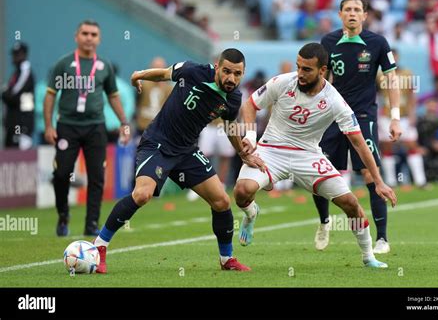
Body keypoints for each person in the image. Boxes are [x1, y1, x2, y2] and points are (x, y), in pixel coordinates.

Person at [92, 49, 265, 273]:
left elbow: (230, 126)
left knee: (222, 201)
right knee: (142, 194)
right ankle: (100, 246)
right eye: (227, 72)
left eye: (237, 74)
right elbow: (164, 74)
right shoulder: (193, 71)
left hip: (186, 151)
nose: (231, 78)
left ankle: (227, 259)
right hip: (158, 144)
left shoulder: (233, 97)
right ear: (217, 66)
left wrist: (243, 153)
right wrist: (139, 75)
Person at [234, 43, 396, 268]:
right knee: (242, 192)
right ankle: (251, 214)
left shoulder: (335, 101)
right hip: (271, 150)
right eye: (298, 66)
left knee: (350, 203)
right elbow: (250, 105)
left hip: (307, 155)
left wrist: (379, 182)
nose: (300, 74)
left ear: (322, 70)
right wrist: (251, 137)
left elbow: (358, 142)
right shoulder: (283, 82)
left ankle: (369, 256)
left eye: (307, 69)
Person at [313, 0, 401, 254]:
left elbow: (391, 79)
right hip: (331, 116)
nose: (352, 13)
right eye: (347, 9)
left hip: (363, 117)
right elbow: (321, 80)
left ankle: (382, 238)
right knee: (322, 171)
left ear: (364, 15)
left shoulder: (378, 43)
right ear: (340, 14)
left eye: (357, 10)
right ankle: (324, 222)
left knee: (370, 174)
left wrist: (395, 116)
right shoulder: (328, 42)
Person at [44, 20, 130, 237]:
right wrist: (48, 125)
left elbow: (113, 96)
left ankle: (91, 223)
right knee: (62, 173)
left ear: (99, 39)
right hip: (67, 127)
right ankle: (63, 215)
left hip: (95, 128)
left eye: (93, 34)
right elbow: (50, 95)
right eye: (85, 33)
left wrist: (124, 123)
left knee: (97, 176)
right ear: (77, 36)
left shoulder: (104, 66)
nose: (89, 38)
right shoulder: (63, 64)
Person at [377, 49, 427, 188]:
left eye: (395, 56)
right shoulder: (380, 75)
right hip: (386, 116)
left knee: (412, 145)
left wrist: (412, 114)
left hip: (403, 116)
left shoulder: (407, 73)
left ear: (398, 57)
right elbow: (376, 96)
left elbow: (412, 95)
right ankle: (391, 181)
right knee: (387, 147)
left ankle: (420, 181)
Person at [2, 42, 35, 149]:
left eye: (17, 54)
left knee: (20, 158)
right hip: (11, 125)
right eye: (14, 54)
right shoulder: (16, 73)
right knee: (9, 160)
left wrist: (4, 94)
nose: (14, 58)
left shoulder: (26, 72)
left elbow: (13, 96)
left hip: (21, 125)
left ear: (24, 55)